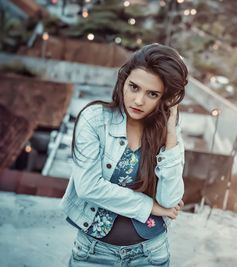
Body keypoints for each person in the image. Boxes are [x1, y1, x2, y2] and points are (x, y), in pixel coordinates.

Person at [61, 43, 188, 266]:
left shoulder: (166, 132)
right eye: (134, 87)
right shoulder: (95, 119)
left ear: (164, 98)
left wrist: (170, 133)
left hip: (151, 253)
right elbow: (88, 187)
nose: (139, 101)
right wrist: (151, 207)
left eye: (152, 94)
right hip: (93, 252)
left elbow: (170, 200)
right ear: (123, 81)